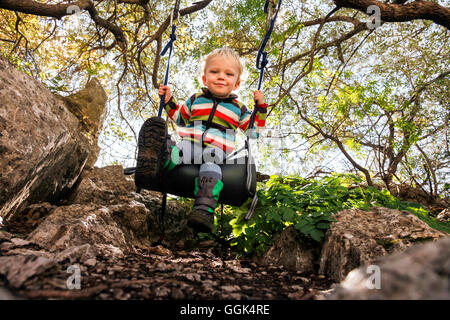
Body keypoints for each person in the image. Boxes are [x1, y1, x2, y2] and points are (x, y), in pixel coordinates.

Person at [135, 47, 268, 233]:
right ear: (205, 78)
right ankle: (153, 161)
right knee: (175, 153)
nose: (221, 77)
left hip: (216, 150)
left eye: (228, 74)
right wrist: (168, 100)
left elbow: (253, 131)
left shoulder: (239, 109)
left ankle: (204, 211)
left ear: (236, 84)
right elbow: (179, 117)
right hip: (189, 144)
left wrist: (260, 107)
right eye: (214, 72)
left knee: (212, 169)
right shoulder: (196, 100)